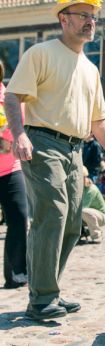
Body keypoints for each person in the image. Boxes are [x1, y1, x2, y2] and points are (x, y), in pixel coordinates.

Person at [4, 0, 105, 320]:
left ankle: (49, 291)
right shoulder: (40, 53)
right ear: (63, 19)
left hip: (75, 150)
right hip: (42, 142)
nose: (90, 22)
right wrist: (19, 135)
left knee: (72, 222)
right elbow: (13, 97)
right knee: (52, 214)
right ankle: (41, 297)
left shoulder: (91, 68)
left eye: (93, 17)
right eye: (83, 15)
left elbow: (99, 120)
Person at [0, 59, 28, 289]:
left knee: (19, 217)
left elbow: (22, 127)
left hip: (10, 168)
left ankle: (16, 273)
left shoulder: (10, 95)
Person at [81, 166, 105, 243]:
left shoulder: (91, 189)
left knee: (83, 211)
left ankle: (97, 236)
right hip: (90, 215)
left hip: (103, 216)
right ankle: (83, 232)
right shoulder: (80, 188)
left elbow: (82, 207)